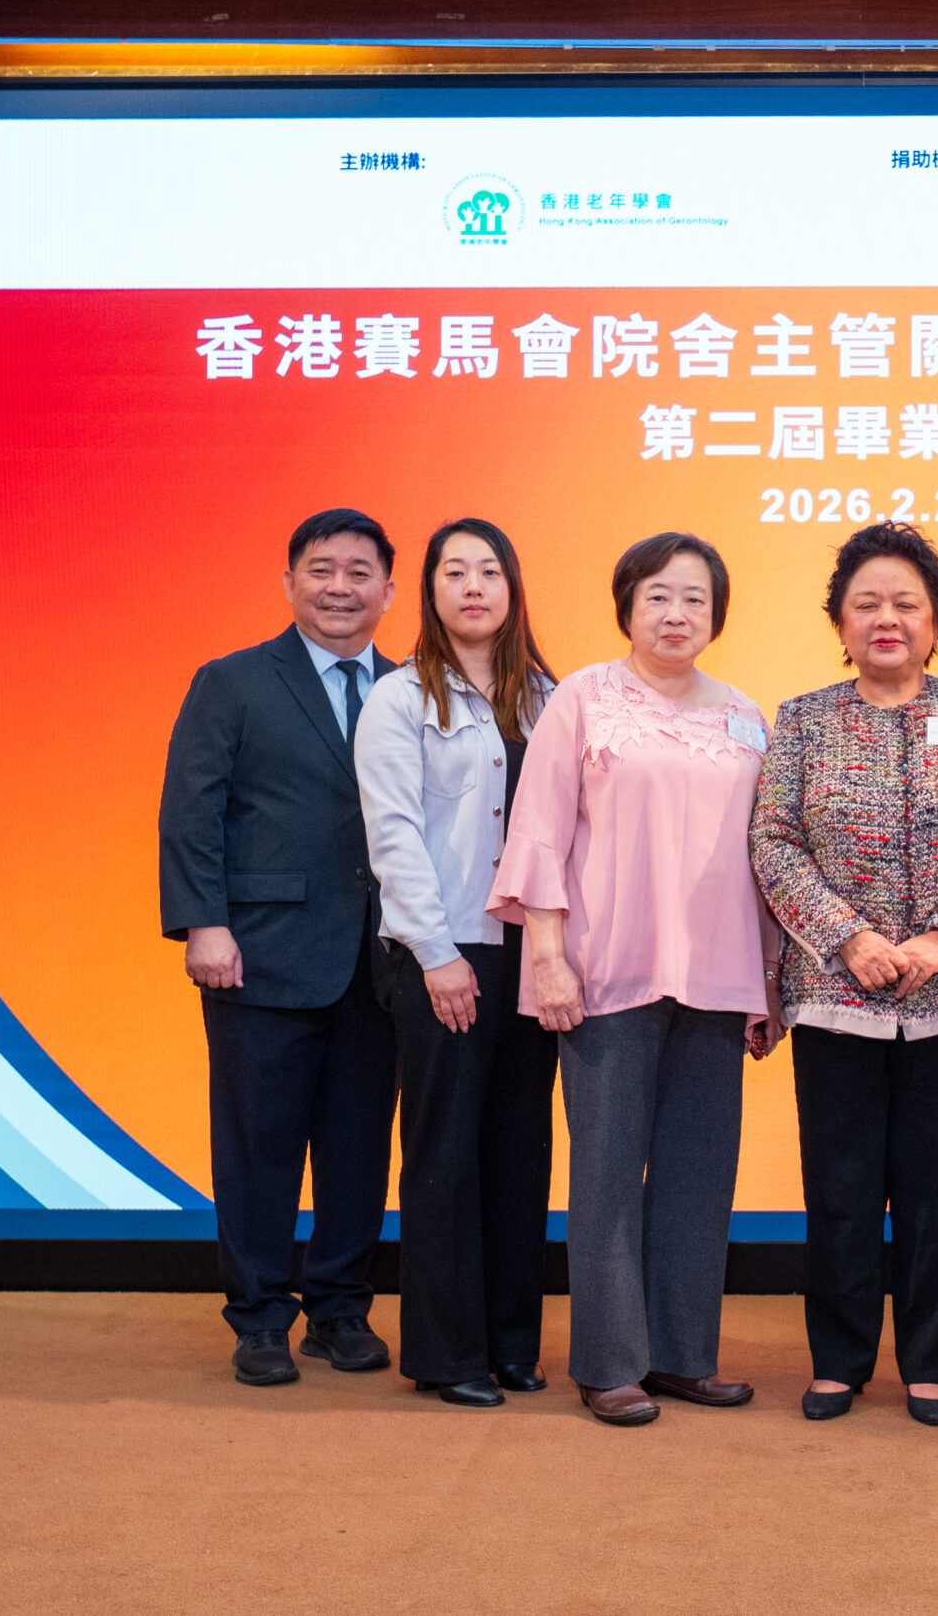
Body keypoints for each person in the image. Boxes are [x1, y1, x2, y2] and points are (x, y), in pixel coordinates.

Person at [486, 531, 782, 1427]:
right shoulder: (582, 699)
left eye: (694, 598)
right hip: (606, 969)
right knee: (608, 1171)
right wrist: (547, 955)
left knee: (700, 1172)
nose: (675, 613)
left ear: (717, 614)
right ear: (627, 606)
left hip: (718, 975)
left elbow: (765, 853)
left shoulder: (745, 716)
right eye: (658, 595)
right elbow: (540, 829)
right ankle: (610, 1362)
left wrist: (768, 978)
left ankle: (684, 1355)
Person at [750, 524, 938, 1429]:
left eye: (907, 602)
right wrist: (850, 939)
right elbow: (774, 841)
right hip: (837, 992)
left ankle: (932, 1362)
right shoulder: (803, 718)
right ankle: (839, 1360)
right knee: (838, 1186)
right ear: (839, 618)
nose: (887, 617)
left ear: (936, 619)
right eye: (867, 602)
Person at [157, 508, 402, 1387]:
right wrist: (204, 922)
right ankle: (259, 1316)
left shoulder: (411, 689)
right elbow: (192, 810)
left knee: (359, 1145)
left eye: (359, 572)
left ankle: (339, 1310)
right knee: (257, 1145)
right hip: (259, 953)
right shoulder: (232, 681)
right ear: (289, 580)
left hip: (382, 962)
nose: (340, 587)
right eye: (321, 569)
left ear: (388, 589)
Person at [355, 519, 559, 1408]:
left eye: (489, 571)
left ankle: (512, 1343)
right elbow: (394, 834)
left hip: (533, 950)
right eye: (454, 572)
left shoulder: (551, 699)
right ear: (430, 592)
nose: (473, 587)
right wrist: (436, 954)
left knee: (520, 1147)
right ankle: (446, 1353)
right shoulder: (399, 699)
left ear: (513, 588)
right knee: (444, 1150)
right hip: (442, 950)